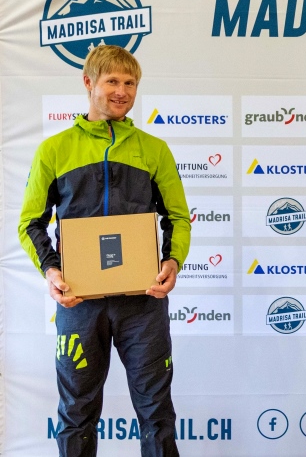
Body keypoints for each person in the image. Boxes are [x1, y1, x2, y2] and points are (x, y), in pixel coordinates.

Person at [18, 45, 191, 456]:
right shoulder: (55, 149)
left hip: (143, 303)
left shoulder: (154, 149)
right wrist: (52, 271)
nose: (122, 91)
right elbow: (30, 223)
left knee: (156, 413)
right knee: (76, 412)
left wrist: (172, 261)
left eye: (130, 83)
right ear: (88, 83)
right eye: (112, 81)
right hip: (80, 302)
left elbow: (177, 217)